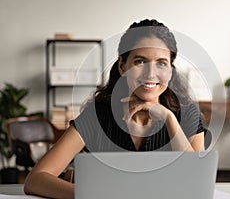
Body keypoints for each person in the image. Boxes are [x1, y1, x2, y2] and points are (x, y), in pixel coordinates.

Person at [24, 19, 207, 199]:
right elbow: (36, 180)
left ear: (170, 70)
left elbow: (195, 182)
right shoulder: (99, 114)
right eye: (140, 61)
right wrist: (92, 196)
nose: (151, 74)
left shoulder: (187, 113)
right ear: (122, 66)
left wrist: (168, 118)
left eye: (161, 63)